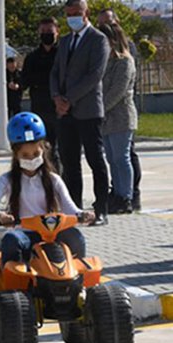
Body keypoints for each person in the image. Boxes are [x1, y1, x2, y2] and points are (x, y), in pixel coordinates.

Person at [0, 112, 94, 265]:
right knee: (11, 240)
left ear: (44, 149)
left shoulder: (53, 179)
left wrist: (82, 214)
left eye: (36, 153)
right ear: (16, 155)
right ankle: (14, 284)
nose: (31, 158)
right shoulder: (7, 180)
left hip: (52, 233)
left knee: (75, 237)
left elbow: (69, 208)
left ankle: (77, 282)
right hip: (25, 234)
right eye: (25, 155)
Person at [50, 0, 110, 226]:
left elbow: (94, 75)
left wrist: (68, 99)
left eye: (76, 13)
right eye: (69, 14)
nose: (72, 17)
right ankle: (73, 208)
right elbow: (55, 72)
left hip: (88, 110)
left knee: (96, 160)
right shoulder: (65, 41)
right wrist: (57, 96)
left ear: (86, 14)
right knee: (69, 161)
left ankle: (101, 209)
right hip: (65, 113)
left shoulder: (98, 40)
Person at [97, 9, 142, 211]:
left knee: (122, 158)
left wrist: (100, 108)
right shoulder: (106, 62)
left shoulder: (124, 62)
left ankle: (127, 196)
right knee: (111, 159)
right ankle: (117, 193)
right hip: (106, 118)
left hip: (121, 116)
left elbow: (117, 91)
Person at [22, 17, 61, 170]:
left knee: (61, 150)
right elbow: (25, 80)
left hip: (60, 108)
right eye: (43, 31)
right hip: (39, 108)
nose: (46, 34)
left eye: (49, 31)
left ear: (57, 32)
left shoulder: (62, 55)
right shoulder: (32, 57)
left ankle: (60, 183)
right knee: (43, 149)